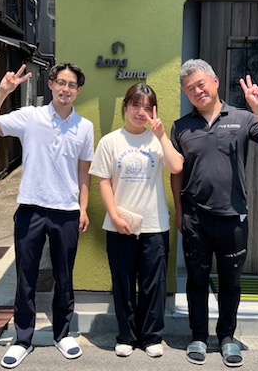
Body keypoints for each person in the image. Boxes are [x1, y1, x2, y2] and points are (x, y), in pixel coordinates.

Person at [170, 59, 258, 368]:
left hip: (233, 216)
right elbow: (176, 173)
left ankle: (227, 337)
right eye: (190, 88)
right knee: (196, 279)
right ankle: (198, 336)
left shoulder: (243, 118)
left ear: (215, 81)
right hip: (195, 218)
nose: (197, 91)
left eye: (201, 84)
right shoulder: (181, 127)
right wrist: (179, 212)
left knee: (230, 282)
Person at [0, 63, 94, 369]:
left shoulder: (84, 127)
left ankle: (62, 334)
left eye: (72, 85)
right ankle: (23, 338)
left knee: (64, 277)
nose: (65, 89)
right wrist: (3, 92)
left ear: (79, 90)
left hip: (67, 212)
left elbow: (84, 172)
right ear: (51, 84)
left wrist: (83, 208)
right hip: (31, 208)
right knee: (26, 277)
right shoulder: (31, 116)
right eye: (61, 83)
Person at [89, 83, 183, 359]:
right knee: (123, 282)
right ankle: (126, 336)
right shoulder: (110, 141)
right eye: (136, 105)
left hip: (155, 224)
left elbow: (177, 166)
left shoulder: (158, 140)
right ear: (125, 107)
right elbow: (103, 181)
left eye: (147, 107)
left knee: (154, 284)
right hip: (120, 224)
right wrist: (115, 216)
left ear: (154, 111)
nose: (141, 112)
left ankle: (152, 336)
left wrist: (162, 136)